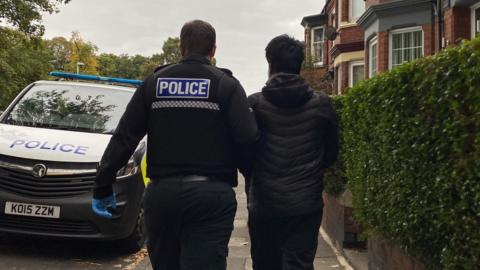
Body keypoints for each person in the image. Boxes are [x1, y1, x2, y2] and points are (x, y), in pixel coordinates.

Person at [91, 20, 259, 270]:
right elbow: (248, 139)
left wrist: (103, 184)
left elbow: (125, 136)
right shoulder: (226, 86)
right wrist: (252, 183)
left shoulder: (154, 84)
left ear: (181, 48)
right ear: (213, 50)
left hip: (162, 196)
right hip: (210, 198)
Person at [247, 35, 339, 270]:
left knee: (265, 264)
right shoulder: (321, 104)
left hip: (264, 203)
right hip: (305, 204)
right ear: (299, 66)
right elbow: (331, 152)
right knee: (298, 264)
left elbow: (244, 152)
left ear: (270, 65)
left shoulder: (254, 104)